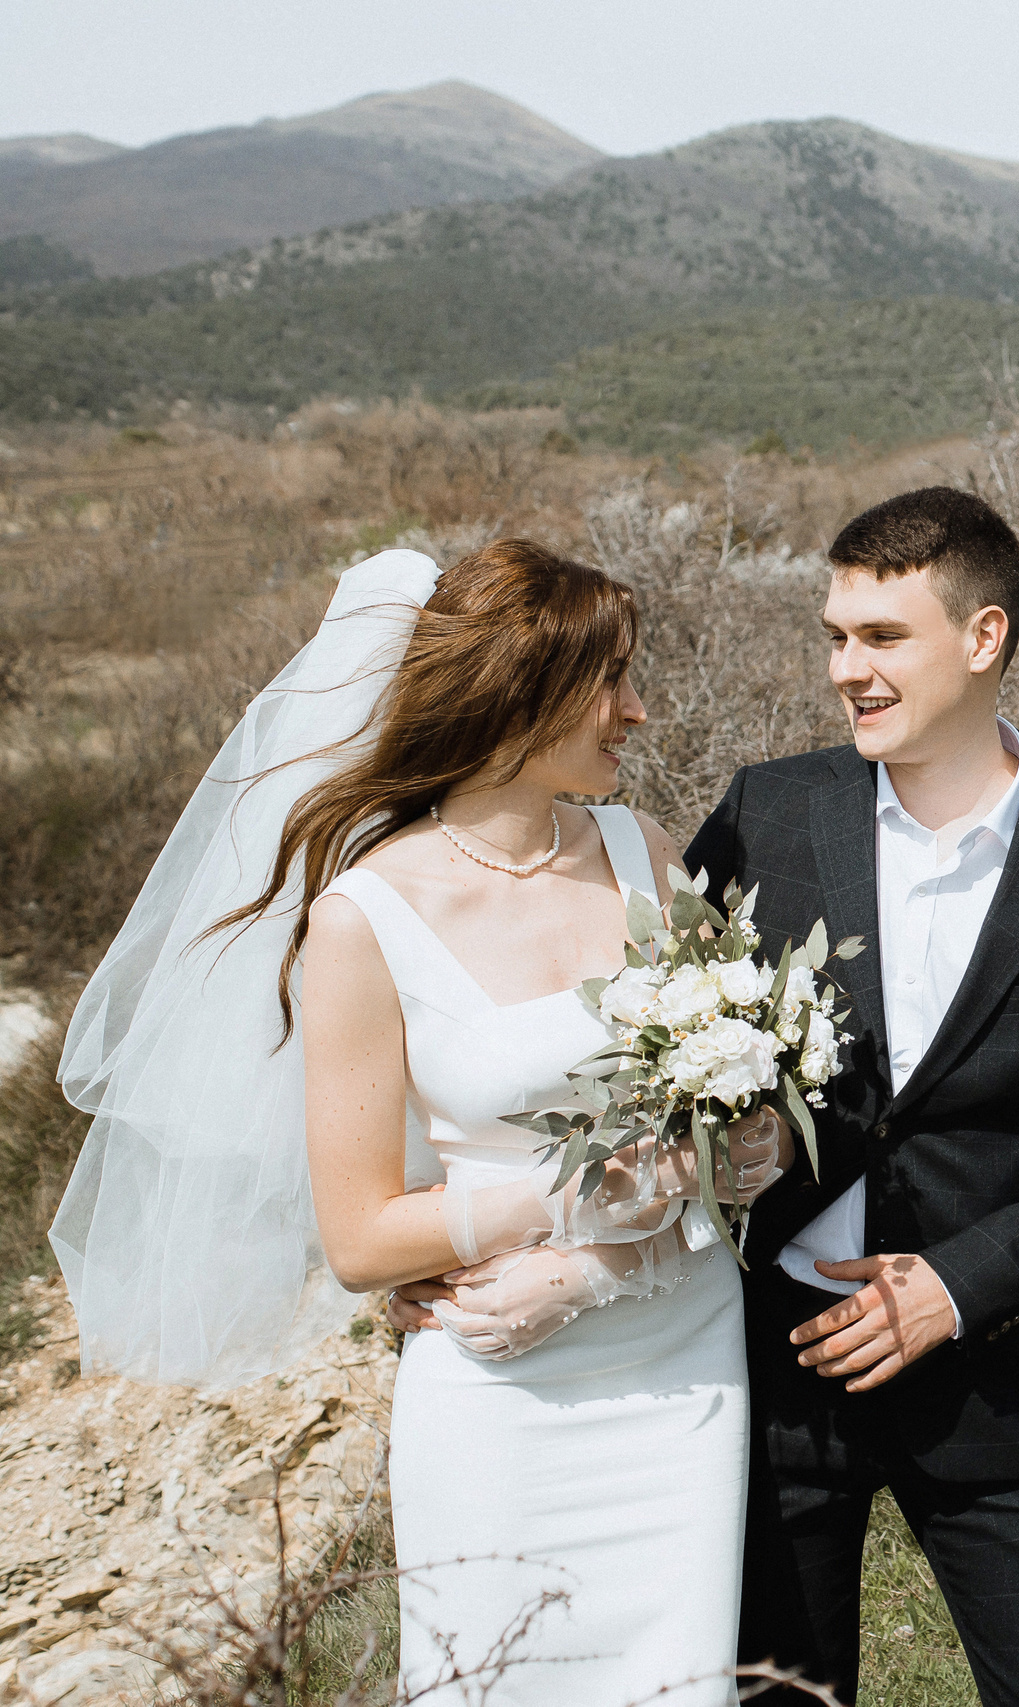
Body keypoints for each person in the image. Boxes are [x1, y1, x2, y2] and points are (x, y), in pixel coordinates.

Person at [56, 540, 789, 1707]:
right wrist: (563, 1203)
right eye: (611, 681)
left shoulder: (645, 858)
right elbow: (361, 1242)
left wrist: (757, 1146)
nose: (638, 712)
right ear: (520, 691)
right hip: (503, 1393)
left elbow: (741, 1115)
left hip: (685, 1368)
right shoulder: (365, 922)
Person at [664, 487, 1019, 1705]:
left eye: (880, 638)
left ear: (984, 637)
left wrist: (957, 1289)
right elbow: (651, 1026)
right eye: (834, 636)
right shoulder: (770, 814)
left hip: (998, 1386)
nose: (843, 670)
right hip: (773, 1373)